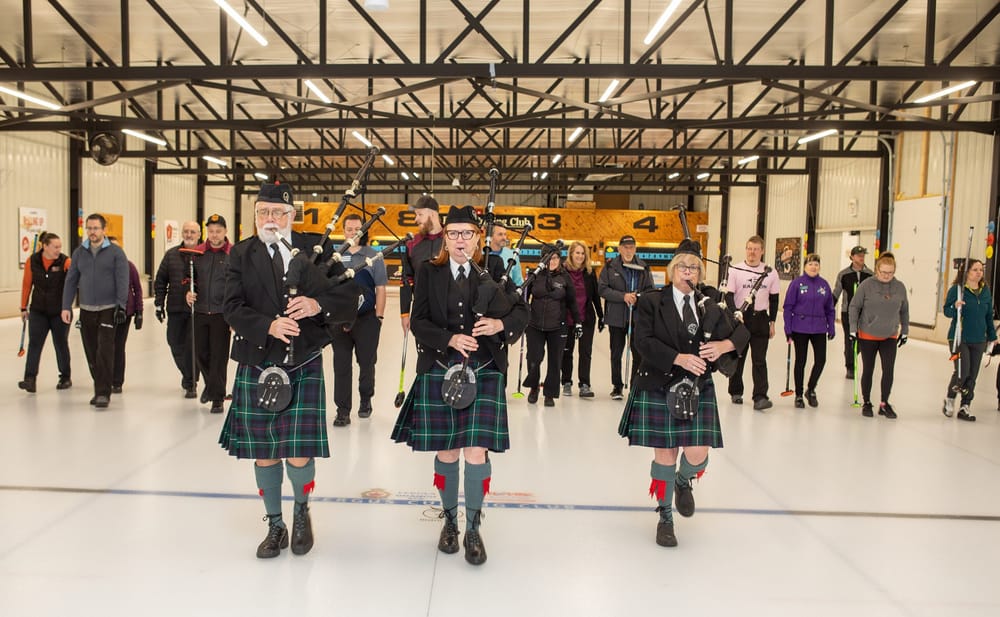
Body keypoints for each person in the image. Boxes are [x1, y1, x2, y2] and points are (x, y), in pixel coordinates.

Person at [219, 182, 360, 559]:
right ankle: (275, 523)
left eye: (278, 213)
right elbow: (230, 305)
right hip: (257, 358)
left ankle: (301, 511)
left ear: (291, 216)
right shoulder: (241, 253)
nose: (270, 219)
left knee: (298, 451)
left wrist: (316, 304)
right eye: (263, 212)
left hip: (303, 359)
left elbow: (346, 296)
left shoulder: (316, 249)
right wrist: (268, 325)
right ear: (254, 216)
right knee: (263, 452)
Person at [391, 205, 529, 566]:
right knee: (448, 450)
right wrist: (449, 339)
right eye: (453, 234)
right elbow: (418, 321)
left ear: (478, 237)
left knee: (476, 451)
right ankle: (450, 521)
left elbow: (520, 311)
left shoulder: (495, 269)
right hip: (440, 364)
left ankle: (473, 528)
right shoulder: (429, 272)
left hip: (484, 367)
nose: (460, 240)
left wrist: (501, 327)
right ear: (445, 237)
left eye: (467, 233)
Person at [618, 239, 749, 547]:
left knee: (697, 452)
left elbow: (741, 332)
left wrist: (723, 345)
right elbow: (642, 341)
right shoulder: (652, 300)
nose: (687, 272)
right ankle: (665, 515)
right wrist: (677, 358)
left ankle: (682, 480)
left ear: (700, 273)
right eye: (682, 266)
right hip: (659, 381)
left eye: (694, 267)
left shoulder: (711, 300)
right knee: (665, 454)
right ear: (672, 269)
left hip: (697, 385)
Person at [61, 214, 129, 410]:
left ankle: (102, 393)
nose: (92, 232)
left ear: (104, 230)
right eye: (89, 228)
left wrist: (121, 305)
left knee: (105, 351)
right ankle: (100, 384)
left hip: (108, 309)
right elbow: (71, 280)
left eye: (96, 228)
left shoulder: (116, 253)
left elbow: (122, 280)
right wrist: (66, 306)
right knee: (91, 352)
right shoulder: (79, 253)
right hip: (87, 310)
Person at [331, 213, 387, 427]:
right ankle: (342, 410)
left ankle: (365, 399)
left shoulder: (374, 256)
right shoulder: (336, 255)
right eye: (349, 228)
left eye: (357, 229)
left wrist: (379, 317)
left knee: (366, 363)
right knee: (341, 364)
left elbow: (380, 288)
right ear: (343, 230)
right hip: (339, 320)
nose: (353, 232)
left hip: (366, 320)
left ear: (364, 231)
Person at [848, 252, 909, 419]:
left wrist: (905, 331)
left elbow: (904, 311)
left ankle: (884, 403)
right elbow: (854, 306)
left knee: (888, 370)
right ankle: (867, 402)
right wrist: (853, 328)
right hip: (868, 334)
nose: (886, 276)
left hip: (889, 334)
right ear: (877, 270)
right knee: (868, 369)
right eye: (883, 272)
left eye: (890, 273)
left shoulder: (900, 287)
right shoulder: (867, 285)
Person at [725, 235, 780, 411]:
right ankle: (735, 391)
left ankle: (760, 397)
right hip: (741, 318)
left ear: (762, 251)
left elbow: (774, 298)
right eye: (749, 248)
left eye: (756, 249)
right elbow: (728, 295)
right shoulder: (735, 269)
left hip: (761, 319)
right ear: (746, 249)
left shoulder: (770, 272)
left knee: (759, 360)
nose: (752, 252)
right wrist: (735, 312)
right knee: (738, 357)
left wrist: (772, 322)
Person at [522, 248, 581, 407]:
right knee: (534, 358)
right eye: (548, 258)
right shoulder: (534, 275)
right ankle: (534, 387)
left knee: (555, 361)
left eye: (555, 258)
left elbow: (572, 303)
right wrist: (521, 318)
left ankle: (550, 393)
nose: (552, 261)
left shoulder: (565, 278)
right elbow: (524, 300)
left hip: (557, 326)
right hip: (534, 325)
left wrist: (578, 322)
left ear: (560, 259)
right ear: (542, 259)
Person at [598, 235, 654, 400]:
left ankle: (635, 385)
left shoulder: (644, 267)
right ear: (619, 249)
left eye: (631, 247)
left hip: (637, 318)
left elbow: (650, 291)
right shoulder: (610, 267)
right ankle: (617, 386)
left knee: (639, 354)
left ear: (635, 249)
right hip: (616, 318)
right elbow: (602, 289)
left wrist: (638, 297)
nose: (628, 250)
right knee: (616, 353)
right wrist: (623, 296)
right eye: (625, 247)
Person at [186, 214, 232, 414]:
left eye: (218, 231)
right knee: (200, 353)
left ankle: (218, 398)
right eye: (211, 231)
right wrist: (188, 293)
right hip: (201, 311)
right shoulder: (197, 253)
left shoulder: (233, 254)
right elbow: (188, 279)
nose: (214, 235)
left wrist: (235, 314)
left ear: (225, 232)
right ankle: (211, 386)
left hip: (222, 313)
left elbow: (239, 285)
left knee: (219, 357)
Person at [942, 259, 995, 422]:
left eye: (981, 269)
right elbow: (946, 311)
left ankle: (965, 405)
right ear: (966, 272)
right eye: (975, 270)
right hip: (959, 338)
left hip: (979, 339)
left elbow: (988, 317)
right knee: (961, 372)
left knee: (972, 375)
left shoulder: (985, 291)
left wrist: (992, 337)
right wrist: (955, 306)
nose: (979, 273)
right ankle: (950, 399)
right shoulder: (957, 290)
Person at [18, 232, 72, 393]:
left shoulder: (65, 261)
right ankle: (30, 379)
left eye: (60, 247)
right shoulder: (32, 261)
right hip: (38, 311)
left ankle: (65, 377)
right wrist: (23, 307)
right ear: (45, 246)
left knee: (60, 344)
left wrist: (67, 306)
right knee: (34, 344)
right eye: (55, 247)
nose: (58, 250)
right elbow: (27, 285)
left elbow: (72, 283)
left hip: (59, 312)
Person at [154, 221, 201, 398]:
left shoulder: (203, 254)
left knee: (192, 345)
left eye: (192, 232)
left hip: (197, 310)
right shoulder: (171, 255)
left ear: (198, 234)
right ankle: (188, 373)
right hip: (175, 307)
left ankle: (191, 382)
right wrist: (159, 303)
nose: (189, 235)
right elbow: (160, 281)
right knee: (174, 341)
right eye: (186, 231)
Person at [782, 253, 836, 408]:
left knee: (821, 360)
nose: (814, 267)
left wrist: (831, 327)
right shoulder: (797, 284)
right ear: (805, 266)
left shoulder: (824, 285)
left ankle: (811, 389)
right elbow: (788, 307)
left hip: (819, 328)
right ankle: (798, 394)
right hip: (800, 328)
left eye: (816, 264)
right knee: (801, 361)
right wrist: (788, 329)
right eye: (811, 264)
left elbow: (830, 309)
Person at [561, 241, 604, 399]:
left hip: (586, 317)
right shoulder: (563, 271)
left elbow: (595, 296)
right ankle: (566, 381)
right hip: (568, 318)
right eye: (577, 252)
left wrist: (601, 315)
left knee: (585, 352)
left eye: (582, 253)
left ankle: (584, 384)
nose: (580, 256)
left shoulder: (589, 272)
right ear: (571, 254)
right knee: (567, 351)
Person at [400, 196, 443, 335]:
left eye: (420, 214)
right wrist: (405, 313)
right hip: (421, 310)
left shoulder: (450, 240)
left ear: (432, 214)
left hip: (448, 309)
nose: (416, 219)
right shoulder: (412, 243)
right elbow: (406, 279)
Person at [109, 237, 144, 394]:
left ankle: (117, 381)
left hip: (125, 313)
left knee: (118, 346)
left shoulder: (129, 266)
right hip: (105, 312)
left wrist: (139, 312)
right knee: (104, 347)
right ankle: (104, 378)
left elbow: (137, 289)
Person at [833, 246, 873, 379]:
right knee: (849, 339)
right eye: (859, 255)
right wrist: (829, 309)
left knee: (862, 340)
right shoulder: (844, 274)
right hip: (848, 313)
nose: (861, 257)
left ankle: (853, 354)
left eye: (863, 255)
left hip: (865, 313)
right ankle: (850, 366)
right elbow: (836, 293)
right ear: (852, 257)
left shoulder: (870, 275)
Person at [488, 221, 523, 287]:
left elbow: (518, 283)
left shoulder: (513, 255)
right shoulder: (481, 255)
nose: (504, 238)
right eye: (500, 234)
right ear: (490, 236)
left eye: (505, 234)